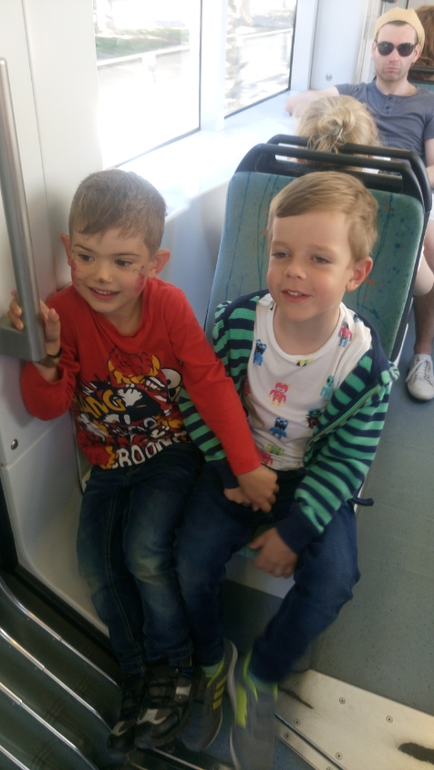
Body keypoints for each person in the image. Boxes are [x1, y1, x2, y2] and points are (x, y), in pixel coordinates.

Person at [7, 169, 278, 754]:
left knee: (144, 552)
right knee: (96, 565)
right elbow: (46, 406)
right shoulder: (63, 313)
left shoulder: (169, 306)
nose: (101, 275)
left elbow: (209, 385)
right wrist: (46, 356)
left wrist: (246, 464)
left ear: (155, 264)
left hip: (171, 452)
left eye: (122, 262)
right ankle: (137, 673)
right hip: (108, 463)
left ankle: (174, 666)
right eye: (86, 256)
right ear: (67, 251)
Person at [175, 172, 399, 770]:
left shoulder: (364, 365)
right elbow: (200, 399)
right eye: (281, 253)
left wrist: (295, 531)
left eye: (318, 259)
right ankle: (210, 660)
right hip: (237, 462)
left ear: (356, 273)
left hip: (311, 477)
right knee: (191, 559)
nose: (293, 271)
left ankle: (261, 673)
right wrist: (232, 471)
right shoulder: (236, 324)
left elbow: (348, 458)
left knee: (334, 580)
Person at [285, 7, 434, 401]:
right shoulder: (352, 94)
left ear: (416, 53)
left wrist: (402, 175)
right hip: (349, 182)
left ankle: (423, 351)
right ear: (373, 49)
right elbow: (295, 104)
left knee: (430, 242)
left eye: (403, 49)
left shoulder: (427, 104)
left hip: (407, 189)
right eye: (385, 47)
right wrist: (327, 106)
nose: (393, 56)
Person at [296, 94, 434, 295]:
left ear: (299, 157)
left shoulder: (272, 191)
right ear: (370, 155)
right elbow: (423, 286)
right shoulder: (397, 207)